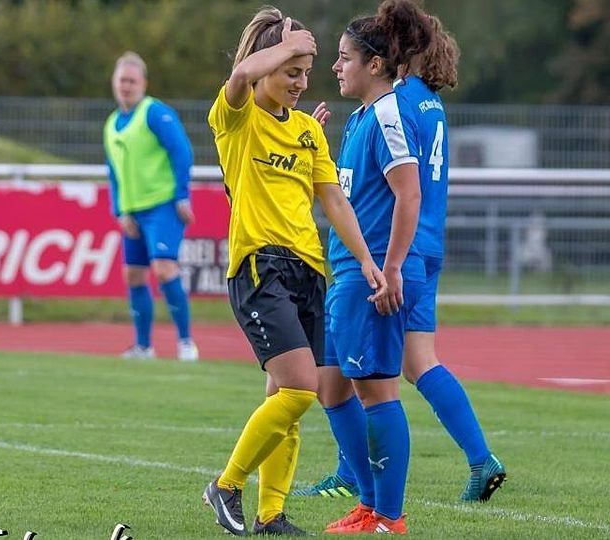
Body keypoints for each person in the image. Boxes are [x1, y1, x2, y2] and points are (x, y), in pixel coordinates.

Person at [296, 1, 508, 511]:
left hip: (395, 247)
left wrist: (388, 262)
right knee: (413, 363)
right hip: (424, 242)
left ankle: (364, 487)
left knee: (370, 378)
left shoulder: (394, 102)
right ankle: (479, 458)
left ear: (387, 52)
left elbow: (398, 187)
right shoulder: (428, 100)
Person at [200, 7, 387, 537]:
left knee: (286, 398)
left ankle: (271, 515)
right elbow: (240, 75)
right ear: (266, 64)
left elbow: (334, 201)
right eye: (291, 70)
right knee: (302, 389)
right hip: (260, 267)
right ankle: (226, 485)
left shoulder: (307, 130)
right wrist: (284, 45)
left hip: (308, 270)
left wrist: (368, 260)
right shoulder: (236, 117)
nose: (301, 83)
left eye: (306, 72)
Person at [320, 2, 431, 534]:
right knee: (330, 387)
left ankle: (389, 514)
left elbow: (409, 194)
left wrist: (392, 268)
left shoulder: (387, 114)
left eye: (344, 57)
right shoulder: (361, 117)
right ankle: (369, 501)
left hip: (371, 278)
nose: (336, 67)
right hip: (346, 272)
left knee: (377, 392)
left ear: (376, 64)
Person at [104, 51, 199, 362]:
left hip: (162, 205)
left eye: (132, 81)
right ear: (114, 82)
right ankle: (143, 347)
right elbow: (113, 172)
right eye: (122, 80)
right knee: (133, 274)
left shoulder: (155, 113)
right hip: (133, 212)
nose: (126, 86)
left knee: (164, 268)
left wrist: (181, 195)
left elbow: (181, 151)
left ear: (143, 83)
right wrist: (120, 210)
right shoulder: (111, 124)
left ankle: (186, 343)